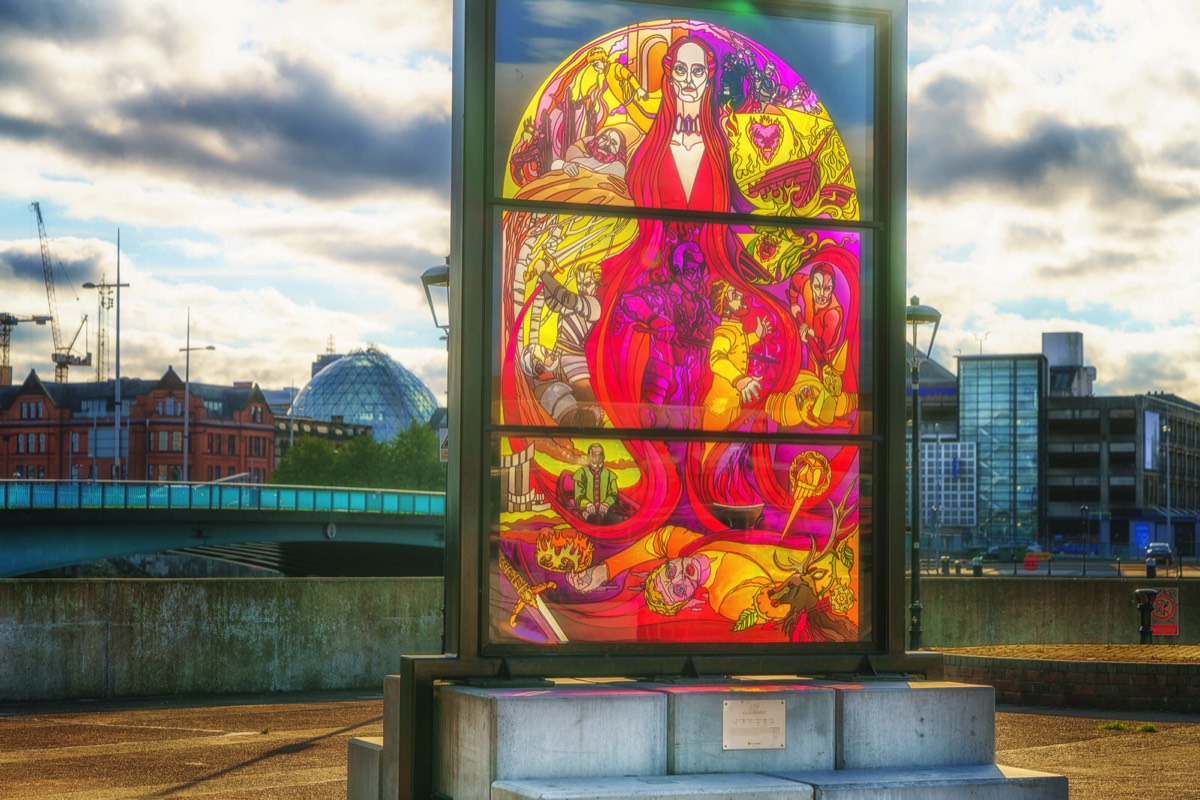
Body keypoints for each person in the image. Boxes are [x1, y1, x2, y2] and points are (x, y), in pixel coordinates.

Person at [701, 281, 770, 431]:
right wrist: (739, 380)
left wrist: (757, 335)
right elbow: (717, 358)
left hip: (733, 407)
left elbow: (740, 344)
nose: (741, 296)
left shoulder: (735, 330)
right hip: (719, 409)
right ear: (725, 305)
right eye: (734, 295)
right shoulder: (724, 332)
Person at [572, 443, 620, 524]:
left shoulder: (609, 475)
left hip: (606, 512)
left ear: (603, 457)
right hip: (586, 511)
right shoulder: (581, 474)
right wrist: (587, 504)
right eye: (594, 456)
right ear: (588, 457)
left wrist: (606, 503)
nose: (597, 459)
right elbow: (578, 496)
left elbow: (614, 494)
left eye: (599, 456)